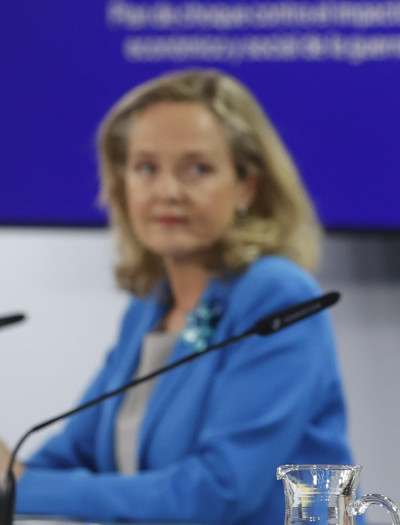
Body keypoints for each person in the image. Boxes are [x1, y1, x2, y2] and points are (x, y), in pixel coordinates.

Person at [0, 70, 354, 524]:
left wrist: (20, 484)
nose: (167, 191)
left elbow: (219, 493)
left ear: (247, 186)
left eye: (197, 169)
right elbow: (74, 452)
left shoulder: (279, 298)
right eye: (146, 168)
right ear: (122, 182)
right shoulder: (150, 306)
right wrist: (11, 477)